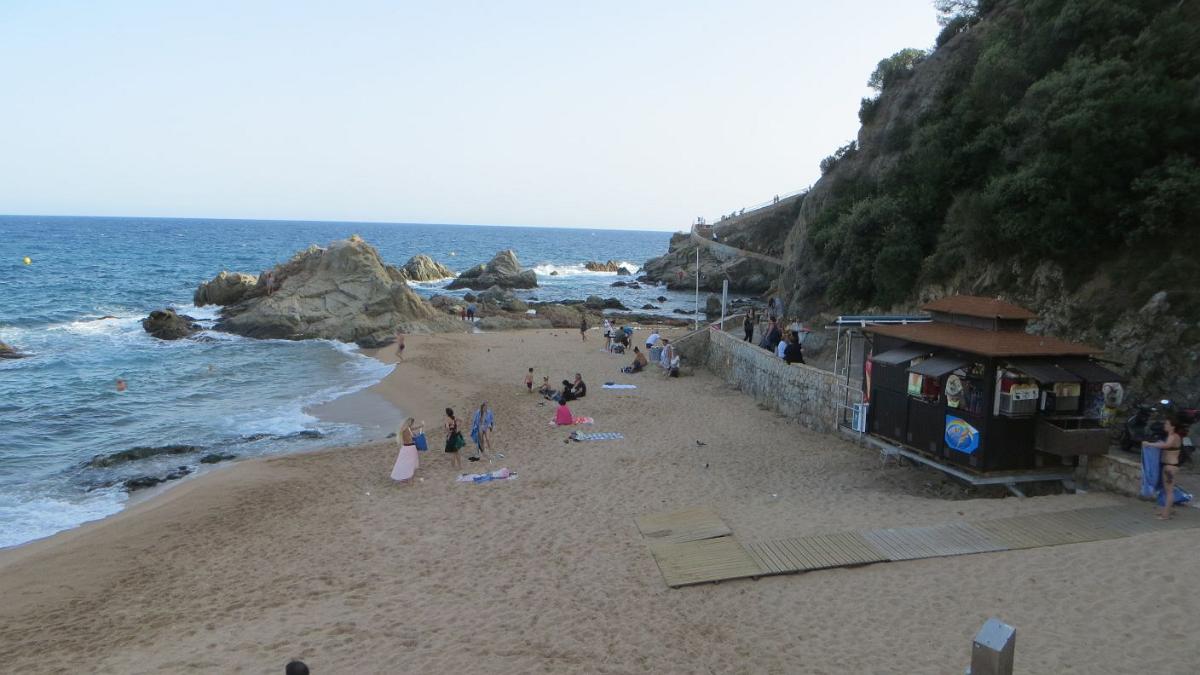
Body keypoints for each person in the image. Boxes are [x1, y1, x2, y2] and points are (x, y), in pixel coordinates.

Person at [1144, 414, 1187, 520]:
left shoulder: (1173, 436)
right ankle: (1168, 510)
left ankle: (1166, 515)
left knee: (1169, 491)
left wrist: (1150, 444)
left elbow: (1166, 445)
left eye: (1167, 424)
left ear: (1172, 426)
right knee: (1166, 490)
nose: (1165, 425)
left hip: (1170, 467)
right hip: (1167, 466)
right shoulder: (1171, 436)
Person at [390, 418, 422, 483]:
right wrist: (415, 438)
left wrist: (421, 426)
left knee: (403, 462)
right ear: (409, 423)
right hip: (410, 447)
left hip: (405, 447)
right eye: (412, 423)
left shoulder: (404, 429)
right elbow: (409, 440)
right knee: (409, 462)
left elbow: (413, 428)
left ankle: (404, 475)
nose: (412, 425)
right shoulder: (407, 430)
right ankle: (406, 476)